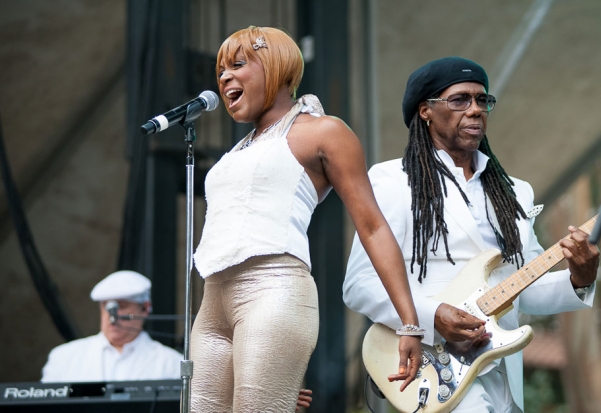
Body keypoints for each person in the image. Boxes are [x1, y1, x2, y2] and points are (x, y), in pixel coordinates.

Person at [343, 56, 600, 412]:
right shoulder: (391, 181)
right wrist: (433, 316)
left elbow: (525, 290)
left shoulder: (514, 191)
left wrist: (580, 279)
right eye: (460, 99)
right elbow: (359, 284)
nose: (476, 109)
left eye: (482, 100)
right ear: (425, 111)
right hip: (430, 366)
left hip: (500, 369)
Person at [190, 26, 422, 413]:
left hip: (272, 290)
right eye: (221, 72)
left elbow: (373, 226)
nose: (225, 77)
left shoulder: (323, 131)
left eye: (238, 65)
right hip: (212, 301)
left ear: (276, 66)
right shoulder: (239, 150)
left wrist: (409, 322)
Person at [41, 270, 183, 382]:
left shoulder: (172, 364)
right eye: (106, 307)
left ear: (145, 308)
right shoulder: (64, 358)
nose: (112, 316)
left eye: (121, 306)